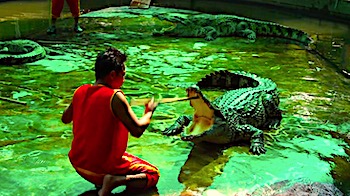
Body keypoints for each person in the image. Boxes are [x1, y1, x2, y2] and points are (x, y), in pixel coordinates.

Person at [61, 47, 160, 195]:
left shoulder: (80, 91)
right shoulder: (115, 96)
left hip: (78, 164)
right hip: (99, 169)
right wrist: (149, 111)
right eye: (123, 75)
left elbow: (65, 119)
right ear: (113, 75)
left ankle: (101, 183)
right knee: (153, 174)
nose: (124, 80)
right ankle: (114, 181)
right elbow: (137, 130)